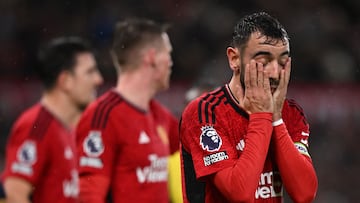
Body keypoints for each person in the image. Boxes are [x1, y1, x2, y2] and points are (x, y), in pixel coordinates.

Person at [180, 12, 318, 203]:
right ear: (234, 59)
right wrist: (262, 115)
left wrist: (276, 119)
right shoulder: (205, 112)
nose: (275, 72)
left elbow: (305, 193)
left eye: (282, 61)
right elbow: (240, 193)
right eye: (264, 61)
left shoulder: (290, 113)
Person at [76, 18, 179, 203]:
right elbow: (89, 194)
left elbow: (198, 148)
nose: (171, 62)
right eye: (168, 54)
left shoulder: (159, 115)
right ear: (152, 58)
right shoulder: (104, 116)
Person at [2, 36, 104, 203]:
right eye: (90, 72)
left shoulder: (66, 129)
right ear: (65, 81)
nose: (98, 79)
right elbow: (15, 194)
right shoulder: (36, 126)